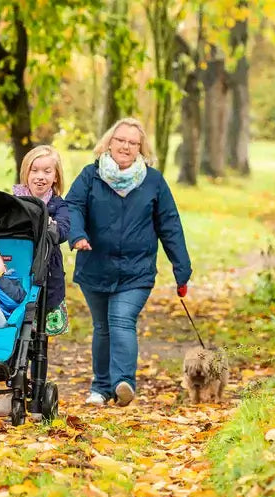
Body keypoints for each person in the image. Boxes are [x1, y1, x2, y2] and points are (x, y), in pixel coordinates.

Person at [65, 117, 192, 407]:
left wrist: (181, 267)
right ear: (109, 143)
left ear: (140, 149)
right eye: (120, 140)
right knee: (102, 327)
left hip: (137, 271)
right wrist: (77, 235)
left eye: (133, 143)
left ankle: (123, 383)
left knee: (121, 320)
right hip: (95, 265)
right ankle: (100, 388)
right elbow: (73, 206)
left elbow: (170, 224)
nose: (125, 146)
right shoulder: (91, 175)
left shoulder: (153, 181)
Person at [12, 145, 71, 336]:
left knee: (40, 334)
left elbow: (63, 230)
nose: (40, 176)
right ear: (26, 173)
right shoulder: (14, 203)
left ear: (56, 177)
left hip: (47, 276)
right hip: (17, 270)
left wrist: (52, 227)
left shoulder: (58, 205)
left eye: (47, 171)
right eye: (34, 170)